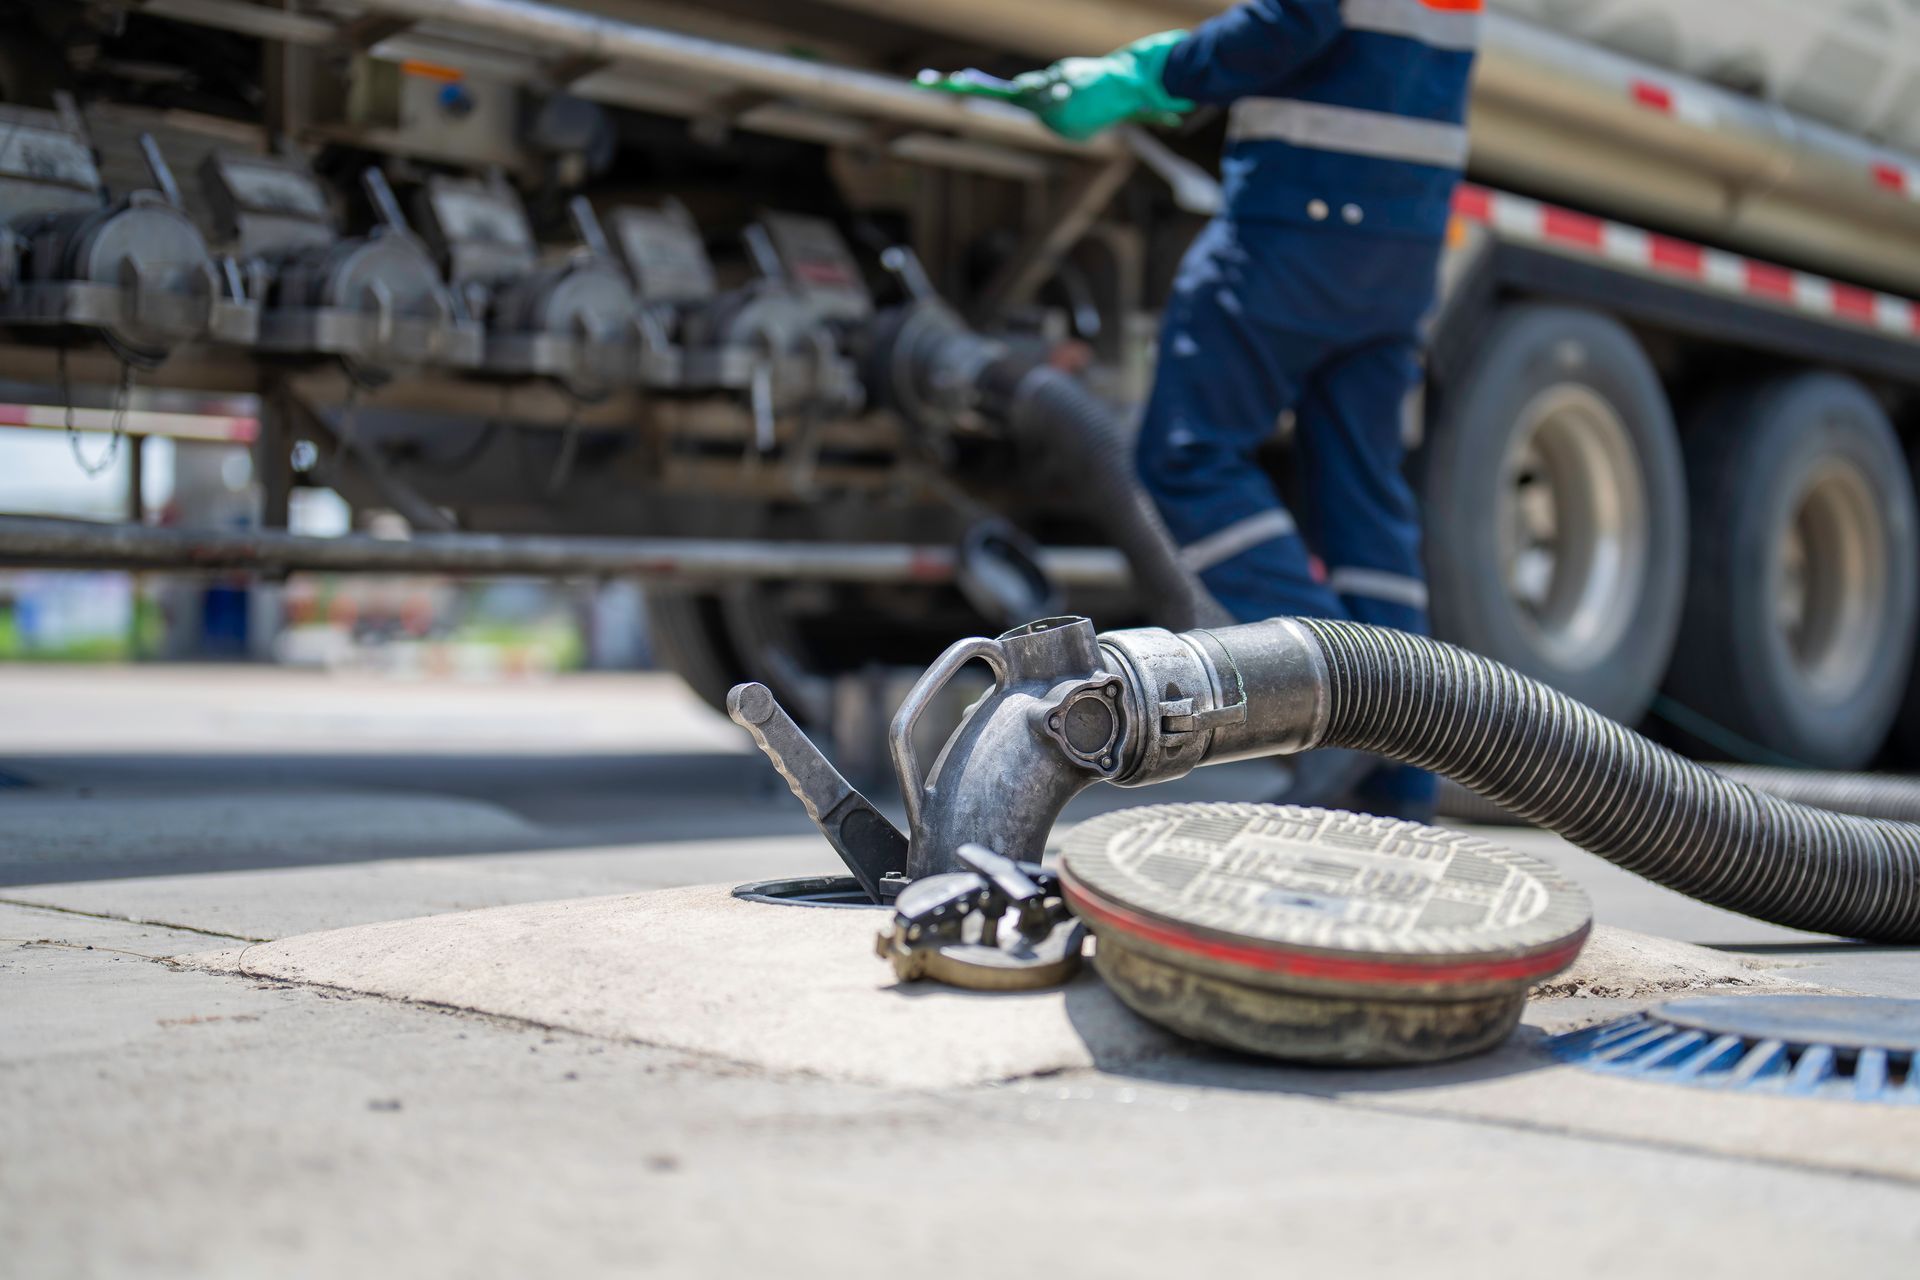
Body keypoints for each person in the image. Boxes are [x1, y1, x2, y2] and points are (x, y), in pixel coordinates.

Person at [927, 1, 1482, 820]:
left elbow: (1295, 19)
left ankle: (1336, 705)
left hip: (1300, 217)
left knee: (1186, 455)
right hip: (1402, 238)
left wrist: (1155, 74)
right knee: (1366, 503)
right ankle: (1400, 778)